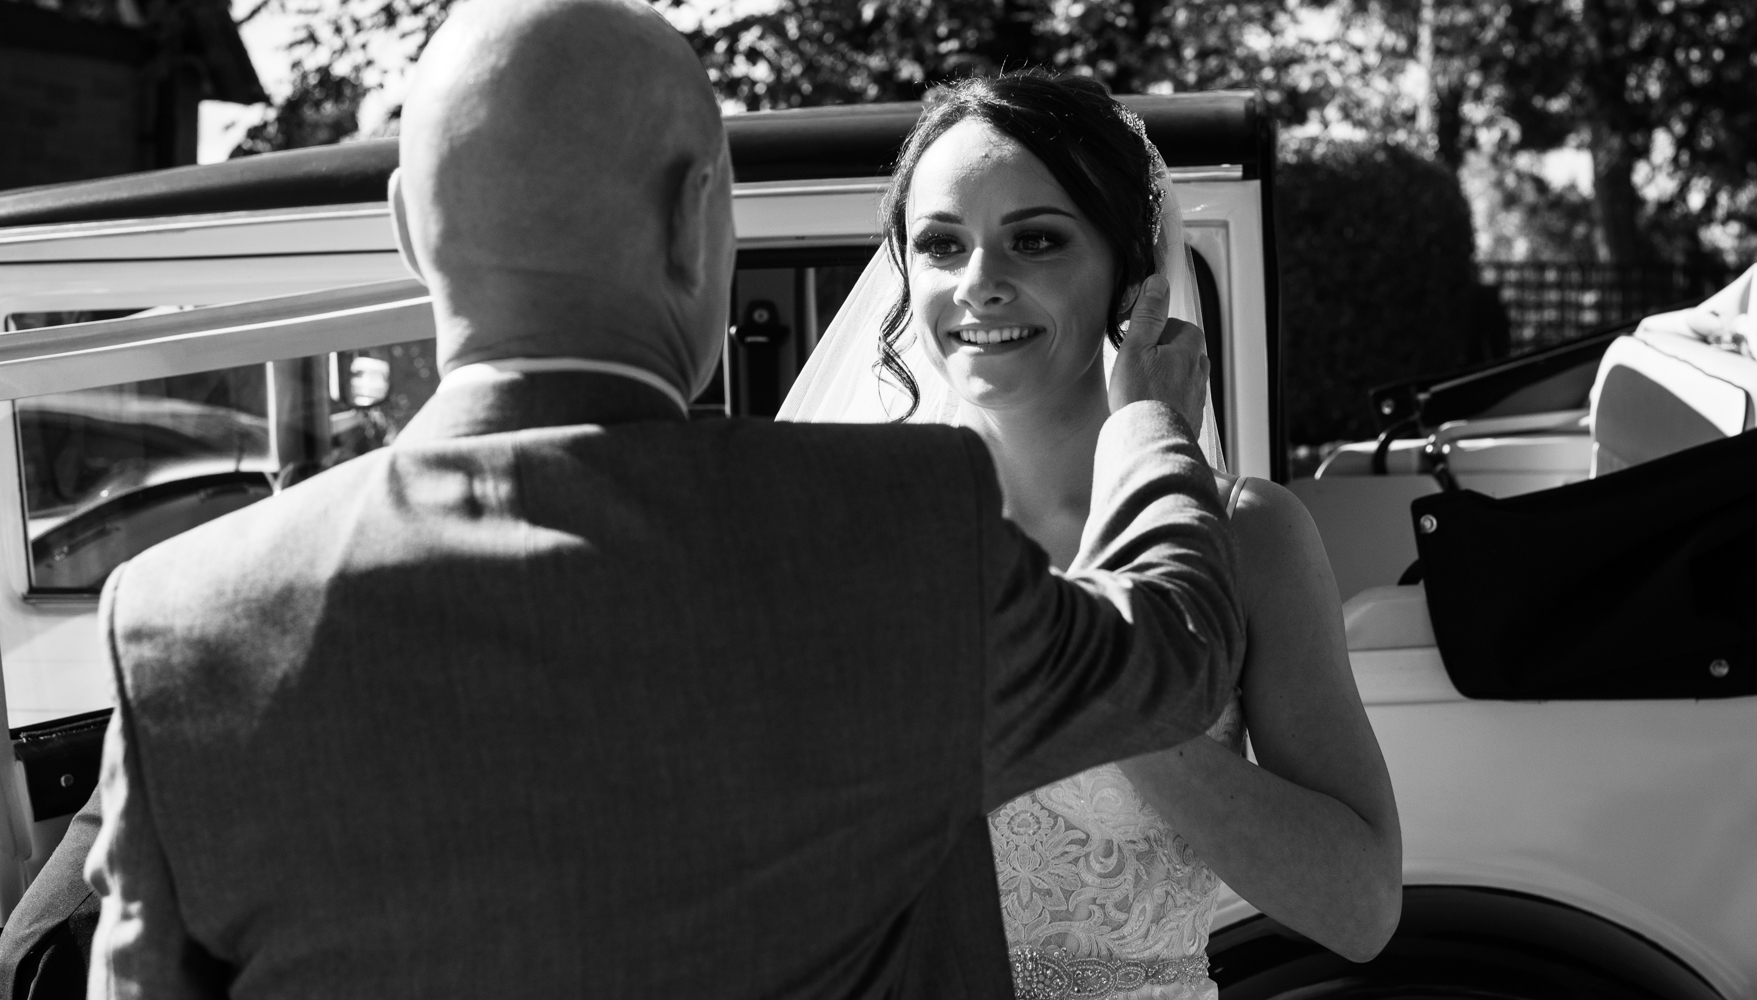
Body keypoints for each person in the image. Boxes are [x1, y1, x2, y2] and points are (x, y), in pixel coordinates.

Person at [81, 3, 1247, 998]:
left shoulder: (179, 622)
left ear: (405, 230)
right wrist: (1146, 418)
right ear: (696, 219)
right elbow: (1176, 651)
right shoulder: (892, 534)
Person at [781, 73, 1403, 998]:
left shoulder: (1245, 537)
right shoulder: (846, 531)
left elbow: (1359, 912)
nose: (979, 284)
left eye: (1034, 240)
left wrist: (1114, 702)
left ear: (1132, 271)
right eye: (941, 245)